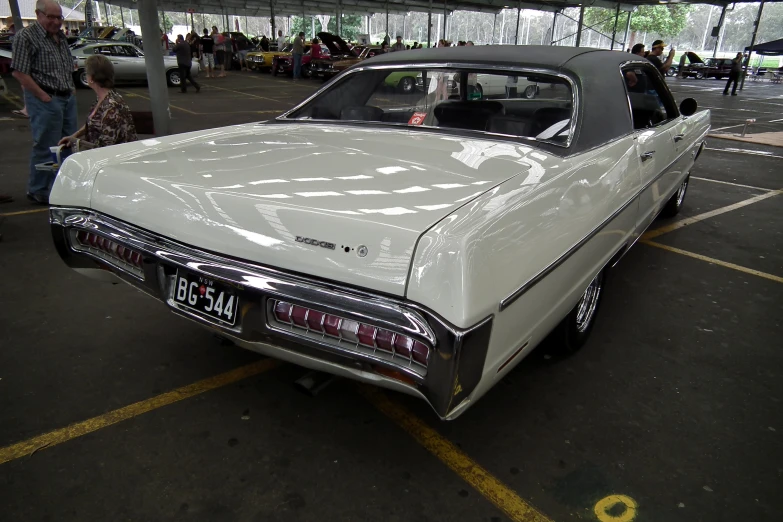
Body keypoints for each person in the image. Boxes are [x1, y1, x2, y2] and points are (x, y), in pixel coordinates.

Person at [11, 0, 77, 205]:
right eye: (51, 17)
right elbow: (19, 72)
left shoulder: (60, 37)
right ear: (38, 14)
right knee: (46, 146)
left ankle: (61, 186)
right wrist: (43, 96)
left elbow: (67, 65)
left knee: (67, 144)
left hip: (66, 97)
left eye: (59, 17)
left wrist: (71, 90)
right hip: (46, 99)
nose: (56, 21)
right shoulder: (26, 37)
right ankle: (38, 189)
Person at [58, 54, 136, 151]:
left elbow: (105, 147)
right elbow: (93, 123)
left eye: (86, 73)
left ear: (91, 79)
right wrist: (76, 135)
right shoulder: (102, 99)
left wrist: (76, 143)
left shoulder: (111, 107)